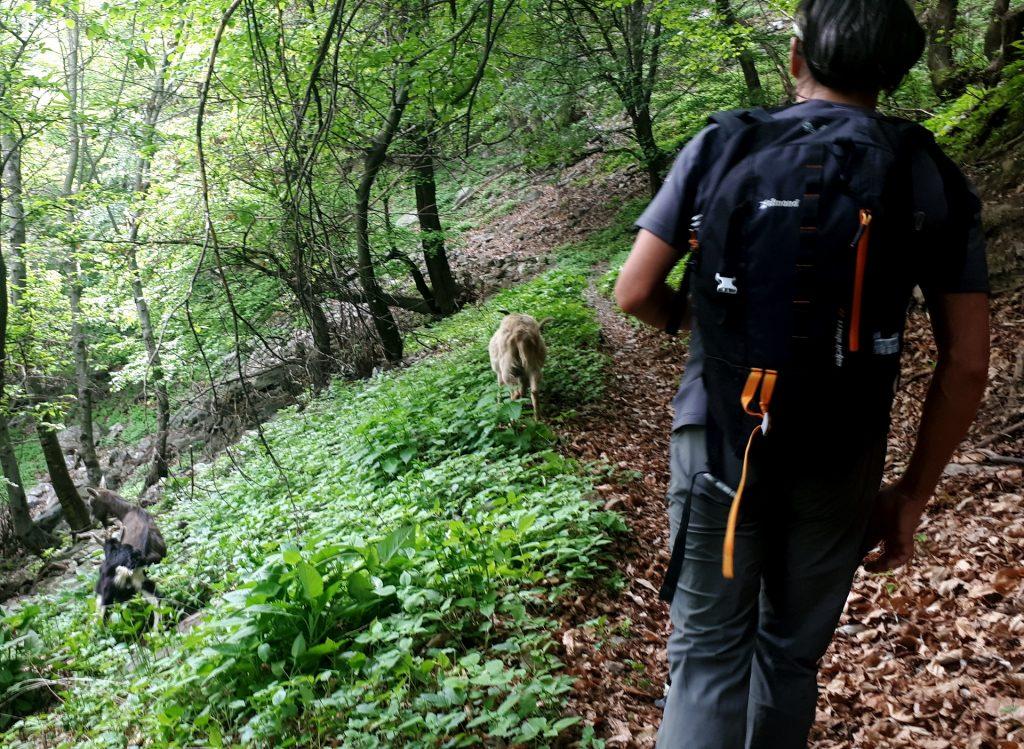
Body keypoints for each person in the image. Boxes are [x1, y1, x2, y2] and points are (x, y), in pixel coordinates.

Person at [613, 0, 990, 747]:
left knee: (706, 658)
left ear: (795, 57)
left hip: (719, 437)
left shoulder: (723, 142)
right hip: (840, 454)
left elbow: (633, 292)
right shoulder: (922, 167)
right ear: (893, 74)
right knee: (787, 658)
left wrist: (698, 324)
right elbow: (969, 361)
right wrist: (910, 494)